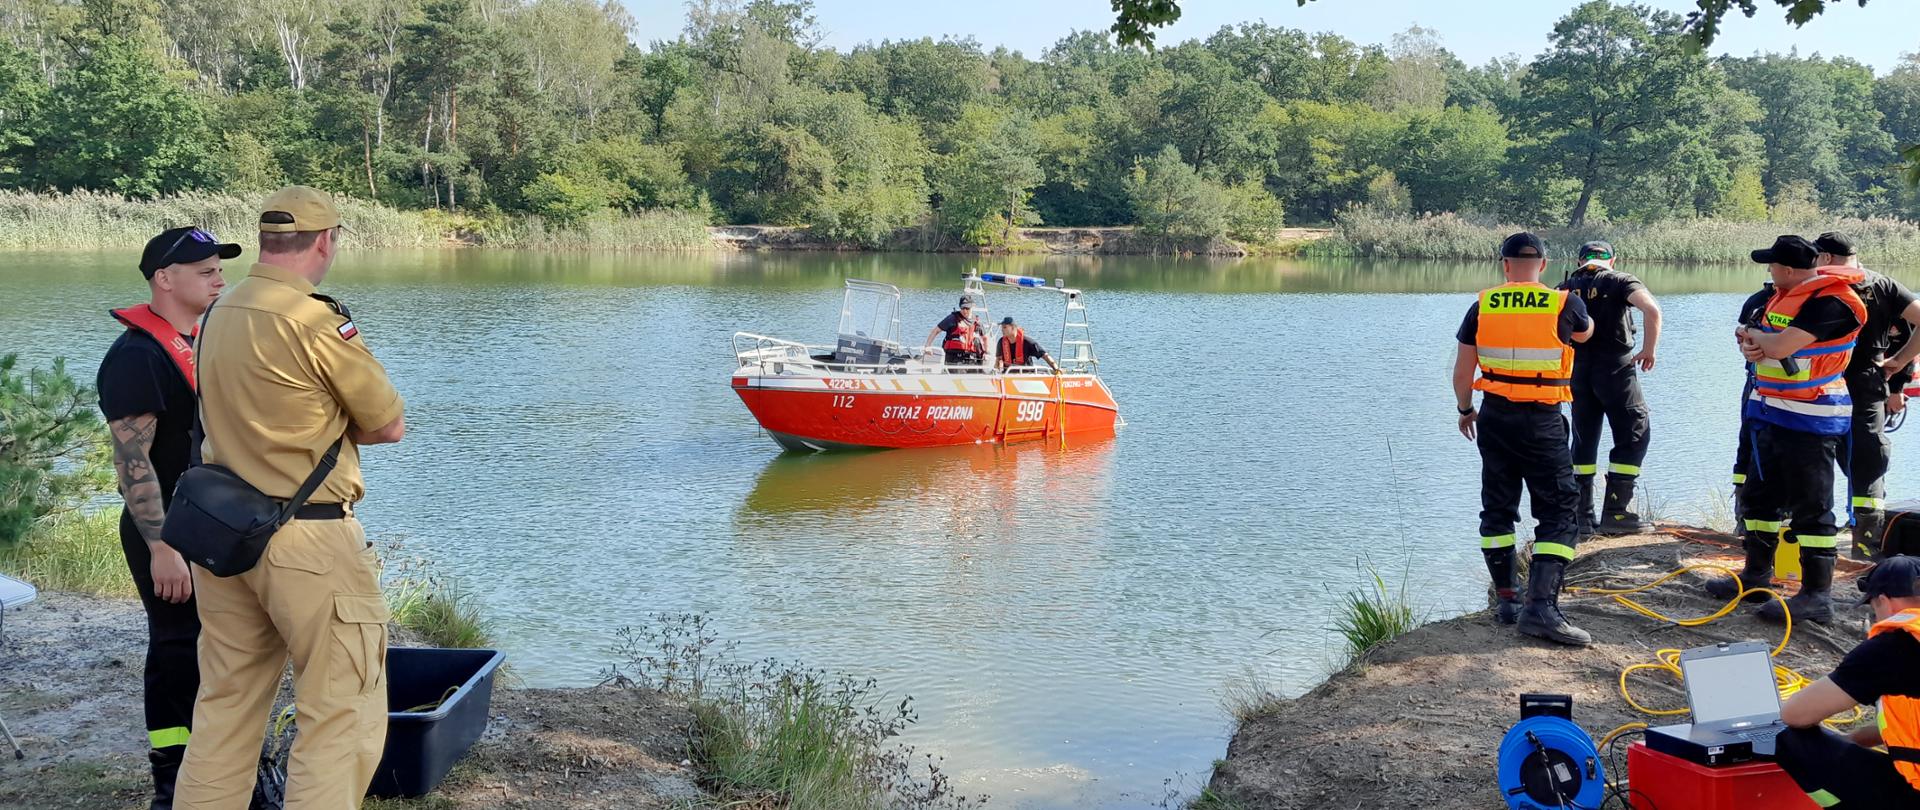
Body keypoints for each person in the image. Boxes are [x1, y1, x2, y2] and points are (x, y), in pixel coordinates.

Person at [174, 187, 406, 810]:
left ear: (265, 240)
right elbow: (387, 425)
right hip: (310, 539)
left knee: (225, 709)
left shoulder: (219, 312)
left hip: (226, 537)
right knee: (340, 713)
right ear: (326, 241)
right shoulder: (312, 318)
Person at [98, 226, 238, 810]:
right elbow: (133, 463)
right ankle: (171, 777)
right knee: (177, 644)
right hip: (165, 530)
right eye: (206, 272)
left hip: (214, 521)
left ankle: (223, 766)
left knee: (226, 644)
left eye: (219, 269)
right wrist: (162, 547)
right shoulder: (137, 355)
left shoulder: (206, 338)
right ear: (165, 279)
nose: (220, 279)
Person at [1706, 235, 1865, 625]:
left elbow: (1782, 346)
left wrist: (1765, 343)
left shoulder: (1834, 303)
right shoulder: (1777, 297)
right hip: (1770, 411)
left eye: (1773, 266)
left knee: (1811, 508)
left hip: (1811, 417)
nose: (1770, 272)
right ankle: (1757, 575)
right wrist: (1755, 342)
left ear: (1790, 269)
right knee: (1760, 499)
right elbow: (1758, 338)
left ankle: (1816, 595)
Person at [1454, 232, 1595, 646]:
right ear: (1544, 265)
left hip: (1494, 416)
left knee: (1498, 506)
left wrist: (1466, 410)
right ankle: (1541, 608)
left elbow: (1463, 373)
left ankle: (1507, 599)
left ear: (1504, 264)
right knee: (1559, 511)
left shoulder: (1483, 304)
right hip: (1541, 420)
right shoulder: (1562, 301)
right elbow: (1585, 335)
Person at [1773, 555, 1920, 808]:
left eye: (1874, 608)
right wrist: (1854, 739)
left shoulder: (1894, 645)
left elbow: (1794, 714)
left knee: (1791, 742)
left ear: (1883, 601)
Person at [1812, 232, 1920, 560]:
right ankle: (1866, 546)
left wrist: (1901, 368)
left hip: (1823, 384)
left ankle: (1813, 537)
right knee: (1868, 462)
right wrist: (1898, 362)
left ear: (1827, 258)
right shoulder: (1885, 285)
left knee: (1814, 457)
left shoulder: (1818, 286)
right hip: (1867, 383)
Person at [1557, 240, 1661, 538]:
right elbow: (1651, 310)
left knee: (1583, 439)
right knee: (1634, 433)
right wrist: (1649, 349)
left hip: (1577, 372)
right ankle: (1617, 513)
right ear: (1612, 261)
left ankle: (1582, 516)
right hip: (1616, 371)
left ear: (1579, 260)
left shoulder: (1564, 286)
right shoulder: (1620, 280)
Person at [925, 296, 986, 365]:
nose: (965, 311)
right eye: (962, 308)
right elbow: (935, 331)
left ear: (972, 307)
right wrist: (927, 346)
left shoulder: (977, 322)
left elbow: (985, 338)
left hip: (971, 357)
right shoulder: (952, 319)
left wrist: (987, 352)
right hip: (954, 357)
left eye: (967, 308)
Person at [994, 317, 1060, 373]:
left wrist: (1056, 369)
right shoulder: (1001, 342)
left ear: (1013, 328)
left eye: (1004, 327)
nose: (1002, 330)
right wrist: (996, 371)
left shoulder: (1027, 342)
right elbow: (998, 360)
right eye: (1002, 327)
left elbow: (1045, 355)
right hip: (1008, 375)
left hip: (1026, 375)